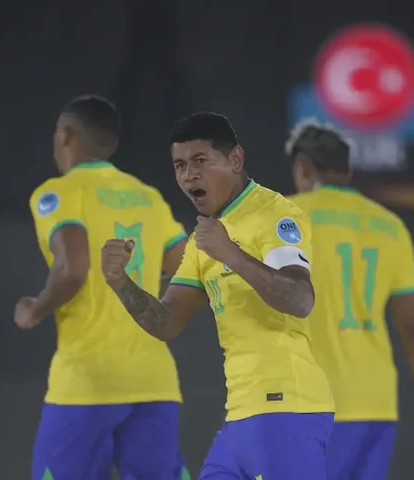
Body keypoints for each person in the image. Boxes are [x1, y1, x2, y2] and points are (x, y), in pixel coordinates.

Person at [101, 112, 335, 479]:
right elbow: (167, 323)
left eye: (200, 161)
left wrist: (231, 254)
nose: (189, 175)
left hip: (285, 406)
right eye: (180, 165)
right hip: (241, 415)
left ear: (235, 159)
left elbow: (300, 298)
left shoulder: (274, 214)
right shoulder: (204, 238)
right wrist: (120, 282)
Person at [15, 95, 190, 480]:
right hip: (154, 381)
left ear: (65, 136)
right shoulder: (148, 197)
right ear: (112, 143)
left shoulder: (60, 193)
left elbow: (72, 268)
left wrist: (36, 308)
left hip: (87, 383)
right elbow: (189, 268)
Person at [285, 119, 414, 480]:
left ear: (303, 168)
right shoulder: (391, 227)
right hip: (377, 407)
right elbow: (413, 333)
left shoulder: (285, 217)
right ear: (347, 171)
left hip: (312, 404)